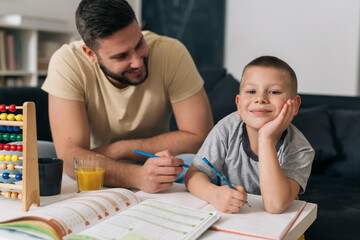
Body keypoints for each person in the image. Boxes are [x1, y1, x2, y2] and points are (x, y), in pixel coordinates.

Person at [41, 0, 213, 193]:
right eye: (121, 56)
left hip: (154, 161)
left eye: (139, 44)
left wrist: (120, 149)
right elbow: (71, 157)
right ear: (90, 54)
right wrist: (137, 177)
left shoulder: (172, 52)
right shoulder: (67, 62)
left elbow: (200, 138)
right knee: (18, 151)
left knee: (199, 165)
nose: (138, 62)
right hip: (97, 170)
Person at [185, 56, 314, 214]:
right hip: (237, 216)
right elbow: (193, 175)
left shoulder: (300, 149)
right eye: (251, 91)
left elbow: (275, 205)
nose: (260, 99)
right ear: (238, 104)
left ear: (295, 105)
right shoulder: (226, 129)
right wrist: (214, 194)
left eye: (273, 92)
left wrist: (265, 138)